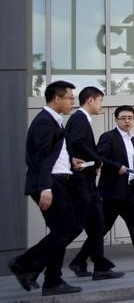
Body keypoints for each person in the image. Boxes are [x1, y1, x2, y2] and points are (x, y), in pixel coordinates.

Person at [7, 81, 83, 296]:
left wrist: (71, 162)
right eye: (70, 98)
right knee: (63, 230)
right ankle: (45, 277)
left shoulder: (54, 121)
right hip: (50, 183)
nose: (73, 102)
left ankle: (30, 268)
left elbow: (51, 153)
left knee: (68, 229)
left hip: (56, 180)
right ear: (57, 99)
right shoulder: (44, 122)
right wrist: (45, 188)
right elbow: (39, 158)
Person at [72, 105, 134, 272]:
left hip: (129, 191)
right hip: (111, 193)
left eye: (130, 118)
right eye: (123, 118)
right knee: (100, 230)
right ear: (116, 120)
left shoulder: (132, 139)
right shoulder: (108, 137)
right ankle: (79, 261)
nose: (127, 121)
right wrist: (118, 167)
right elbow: (100, 158)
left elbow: (127, 165)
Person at [65, 86, 124, 280]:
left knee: (97, 224)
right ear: (90, 100)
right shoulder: (80, 119)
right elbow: (77, 143)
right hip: (82, 183)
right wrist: (98, 159)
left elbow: (77, 147)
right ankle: (32, 263)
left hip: (86, 181)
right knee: (72, 227)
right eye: (100, 101)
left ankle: (98, 267)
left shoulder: (80, 119)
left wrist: (93, 162)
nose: (101, 106)